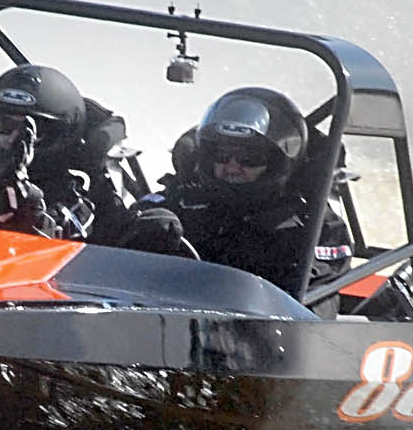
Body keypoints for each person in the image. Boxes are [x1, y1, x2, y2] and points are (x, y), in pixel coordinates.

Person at [0, 64, 186, 254]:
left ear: (62, 135)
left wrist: (23, 204)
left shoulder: (81, 192)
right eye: (6, 125)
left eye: (34, 130)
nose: (16, 138)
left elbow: (59, 246)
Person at [143, 86, 353, 295]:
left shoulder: (312, 224)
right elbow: (124, 229)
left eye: (249, 159)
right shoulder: (182, 199)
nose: (232, 167)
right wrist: (145, 230)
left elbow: (310, 299)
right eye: (222, 155)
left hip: (257, 323)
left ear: (277, 161)